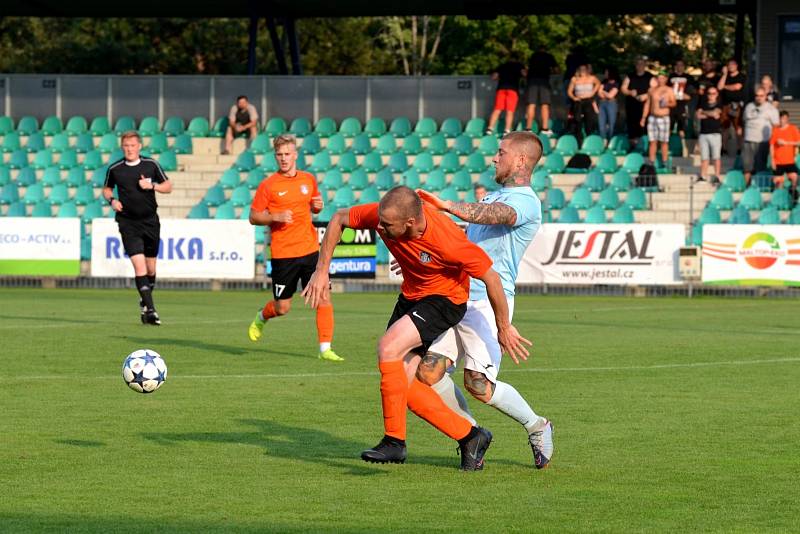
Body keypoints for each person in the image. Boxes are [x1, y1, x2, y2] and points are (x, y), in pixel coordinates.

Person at [302, 186, 531, 469]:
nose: (381, 229)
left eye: (387, 226)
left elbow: (492, 279)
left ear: (410, 222)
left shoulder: (447, 240)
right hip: (412, 297)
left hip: (445, 300)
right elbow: (338, 218)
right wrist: (321, 270)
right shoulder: (386, 216)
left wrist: (504, 327)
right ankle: (470, 436)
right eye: (380, 223)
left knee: (388, 347)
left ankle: (394, 442)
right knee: (403, 387)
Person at [411, 131, 554, 469]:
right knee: (427, 373)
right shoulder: (493, 196)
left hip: (488, 301)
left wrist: (447, 206)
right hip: (456, 295)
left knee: (479, 385)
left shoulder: (525, 201)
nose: (494, 158)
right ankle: (472, 434)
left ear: (519, 160)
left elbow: (495, 216)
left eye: (501, 153)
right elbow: (468, 240)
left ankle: (537, 425)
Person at [247, 134, 343, 362]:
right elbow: (253, 216)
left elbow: (315, 206)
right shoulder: (268, 185)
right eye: (279, 155)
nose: (283, 158)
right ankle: (262, 316)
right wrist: (274, 216)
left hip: (310, 250)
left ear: (295, 155)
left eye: (287, 154)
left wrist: (318, 206)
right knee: (283, 308)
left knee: (324, 297)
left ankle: (325, 349)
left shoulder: (308, 179)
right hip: (283, 254)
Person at [102, 131, 172, 325]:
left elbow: (168, 186)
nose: (129, 149)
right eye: (126, 146)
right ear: (122, 147)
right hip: (128, 222)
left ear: (139, 146)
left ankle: (145, 301)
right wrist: (112, 200)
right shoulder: (115, 169)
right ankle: (150, 310)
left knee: (151, 268)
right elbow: (106, 188)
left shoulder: (151, 165)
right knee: (139, 265)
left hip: (150, 222)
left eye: (133, 145)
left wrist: (151, 186)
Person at [742, 88, 780, 185]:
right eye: (757, 95)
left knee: (760, 167)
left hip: (763, 142)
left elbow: (776, 126)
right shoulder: (749, 106)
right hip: (748, 140)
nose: (758, 98)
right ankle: (747, 188)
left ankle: (758, 188)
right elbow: (745, 119)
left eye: (761, 95)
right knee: (747, 167)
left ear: (766, 96)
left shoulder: (771, 109)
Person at [641, 71, 676, 167]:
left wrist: (666, 104)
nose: (660, 80)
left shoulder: (669, 90)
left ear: (665, 79)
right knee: (652, 141)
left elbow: (674, 103)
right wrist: (644, 117)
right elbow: (647, 104)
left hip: (663, 117)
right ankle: (651, 162)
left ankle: (665, 162)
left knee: (664, 141)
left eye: (662, 78)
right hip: (652, 118)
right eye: (658, 78)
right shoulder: (651, 90)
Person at [621, 58, 655, 150]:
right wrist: (629, 92)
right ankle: (632, 147)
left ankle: (645, 147)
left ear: (645, 65)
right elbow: (623, 88)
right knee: (632, 127)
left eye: (641, 64)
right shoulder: (630, 76)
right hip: (632, 106)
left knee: (644, 126)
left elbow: (655, 89)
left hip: (645, 106)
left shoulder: (650, 77)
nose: (639, 66)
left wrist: (646, 96)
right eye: (638, 64)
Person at [487, 59, 526, 136]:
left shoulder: (502, 66)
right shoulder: (518, 65)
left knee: (497, 109)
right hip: (512, 90)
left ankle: (490, 129)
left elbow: (494, 77)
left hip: (501, 89)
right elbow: (525, 74)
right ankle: (507, 130)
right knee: (510, 111)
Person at [524, 45, 558, 134]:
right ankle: (545, 128)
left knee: (531, 105)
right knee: (545, 105)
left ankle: (528, 128)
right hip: (543, 81)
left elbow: (527, 69)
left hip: (532, 81)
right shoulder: (548, 56)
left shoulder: (533, 56)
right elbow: (556, 69)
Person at [718, 59, 747, 154]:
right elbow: (719, 87)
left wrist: (725, 86)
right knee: (724, 127)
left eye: (732, 64)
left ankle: (740, 148)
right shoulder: (725, 77)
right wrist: (724, 74)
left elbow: (737, 87)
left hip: (737, 105)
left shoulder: (741, 76)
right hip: (726, 105)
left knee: (738, 127)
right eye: (729, 65)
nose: (730, 66)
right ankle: (724, 148)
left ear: (736, 65)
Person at [696, 86, 724, 183]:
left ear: (716, 94)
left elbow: (716, 113)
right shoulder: (702, 104)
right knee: (704, 157)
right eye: (709, 93)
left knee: (716, 157)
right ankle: (703, 175)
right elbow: (698, 115)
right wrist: (710, 113)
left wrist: (704, 112)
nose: (711, 95)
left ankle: (717, 176)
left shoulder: (719, 104)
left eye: (713, 93)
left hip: (715, 134)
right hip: (703, 134)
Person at [566, 63, 601, 140]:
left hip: (588, 101)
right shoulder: (574, 79)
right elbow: (569, 91)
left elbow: (598, 84)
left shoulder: (592, 78)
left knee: (589, 121)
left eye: (584, 69)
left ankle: (589, 139)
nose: (582, 71)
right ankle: (579, 140)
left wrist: (593, 92)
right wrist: (574, 97)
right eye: (581, 70)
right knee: (577, 121)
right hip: (579, 101)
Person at [769, 111, 800, 193]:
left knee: (794, 177)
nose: (782, 120)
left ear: (787, 119)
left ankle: (793, 195)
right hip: (778, 161)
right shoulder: (775, 130)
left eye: (784, 118)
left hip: (790, 161)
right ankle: (780, 199)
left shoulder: (793, 128)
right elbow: (771, 145)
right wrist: (772, 160)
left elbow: (798, 142)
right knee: (778, 182)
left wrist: (786, 143)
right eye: (781, 118)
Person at [668, 59, 696, 140]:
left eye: (681, 65)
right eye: (677, 65)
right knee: (669, 127)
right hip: (671, 105)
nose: (679, 67)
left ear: (684, 67)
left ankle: (684, 149)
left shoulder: (689, 77)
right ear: (675, 66)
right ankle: (666, 149)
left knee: (682, 128)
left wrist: (689, 96)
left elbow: (694, 91)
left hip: (683, 105)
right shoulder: (670, 77)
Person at [598, 66, 620, 141]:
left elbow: (611, 95)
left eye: (607, 73)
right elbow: (599, 93)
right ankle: (603, 140)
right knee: (601, 124)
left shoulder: (617, 83)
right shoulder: (604, 81)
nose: (605, 74)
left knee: (611, 123)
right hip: (602, 103)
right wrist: (605, 93)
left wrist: (603, 91)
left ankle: (611, 140)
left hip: (611, 104)